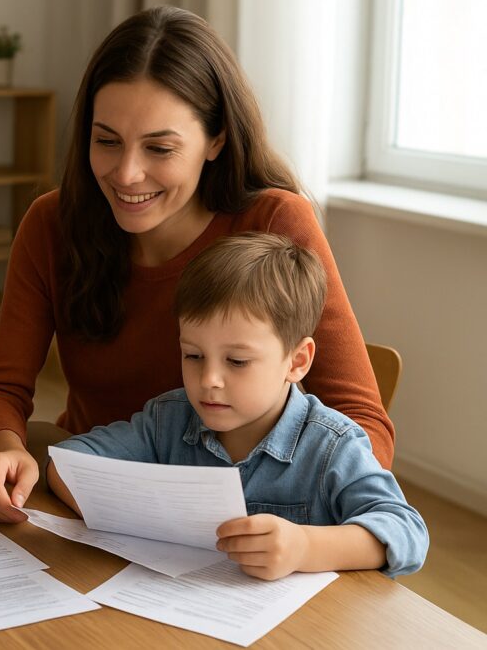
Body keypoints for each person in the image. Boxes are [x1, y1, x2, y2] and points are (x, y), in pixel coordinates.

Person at [0, 5, 394, 523]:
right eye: (106, 141)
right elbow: (0, 389)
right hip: (97, 501)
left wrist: (283, 520)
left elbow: (362, 422)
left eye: (159, 148)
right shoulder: (52, 223)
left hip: (244, 519)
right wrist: (1, 448)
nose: (126, 174)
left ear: (215, 140)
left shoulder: (274, 220)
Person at [47, 233, 428, 580]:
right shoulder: (167, 420)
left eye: (237, 362)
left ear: (297, 361)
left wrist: (305, 547)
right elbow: (70, 461)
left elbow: (406, 531)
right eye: (193, 355)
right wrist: (122, 509)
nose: (208, 379)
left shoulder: (332, 445)